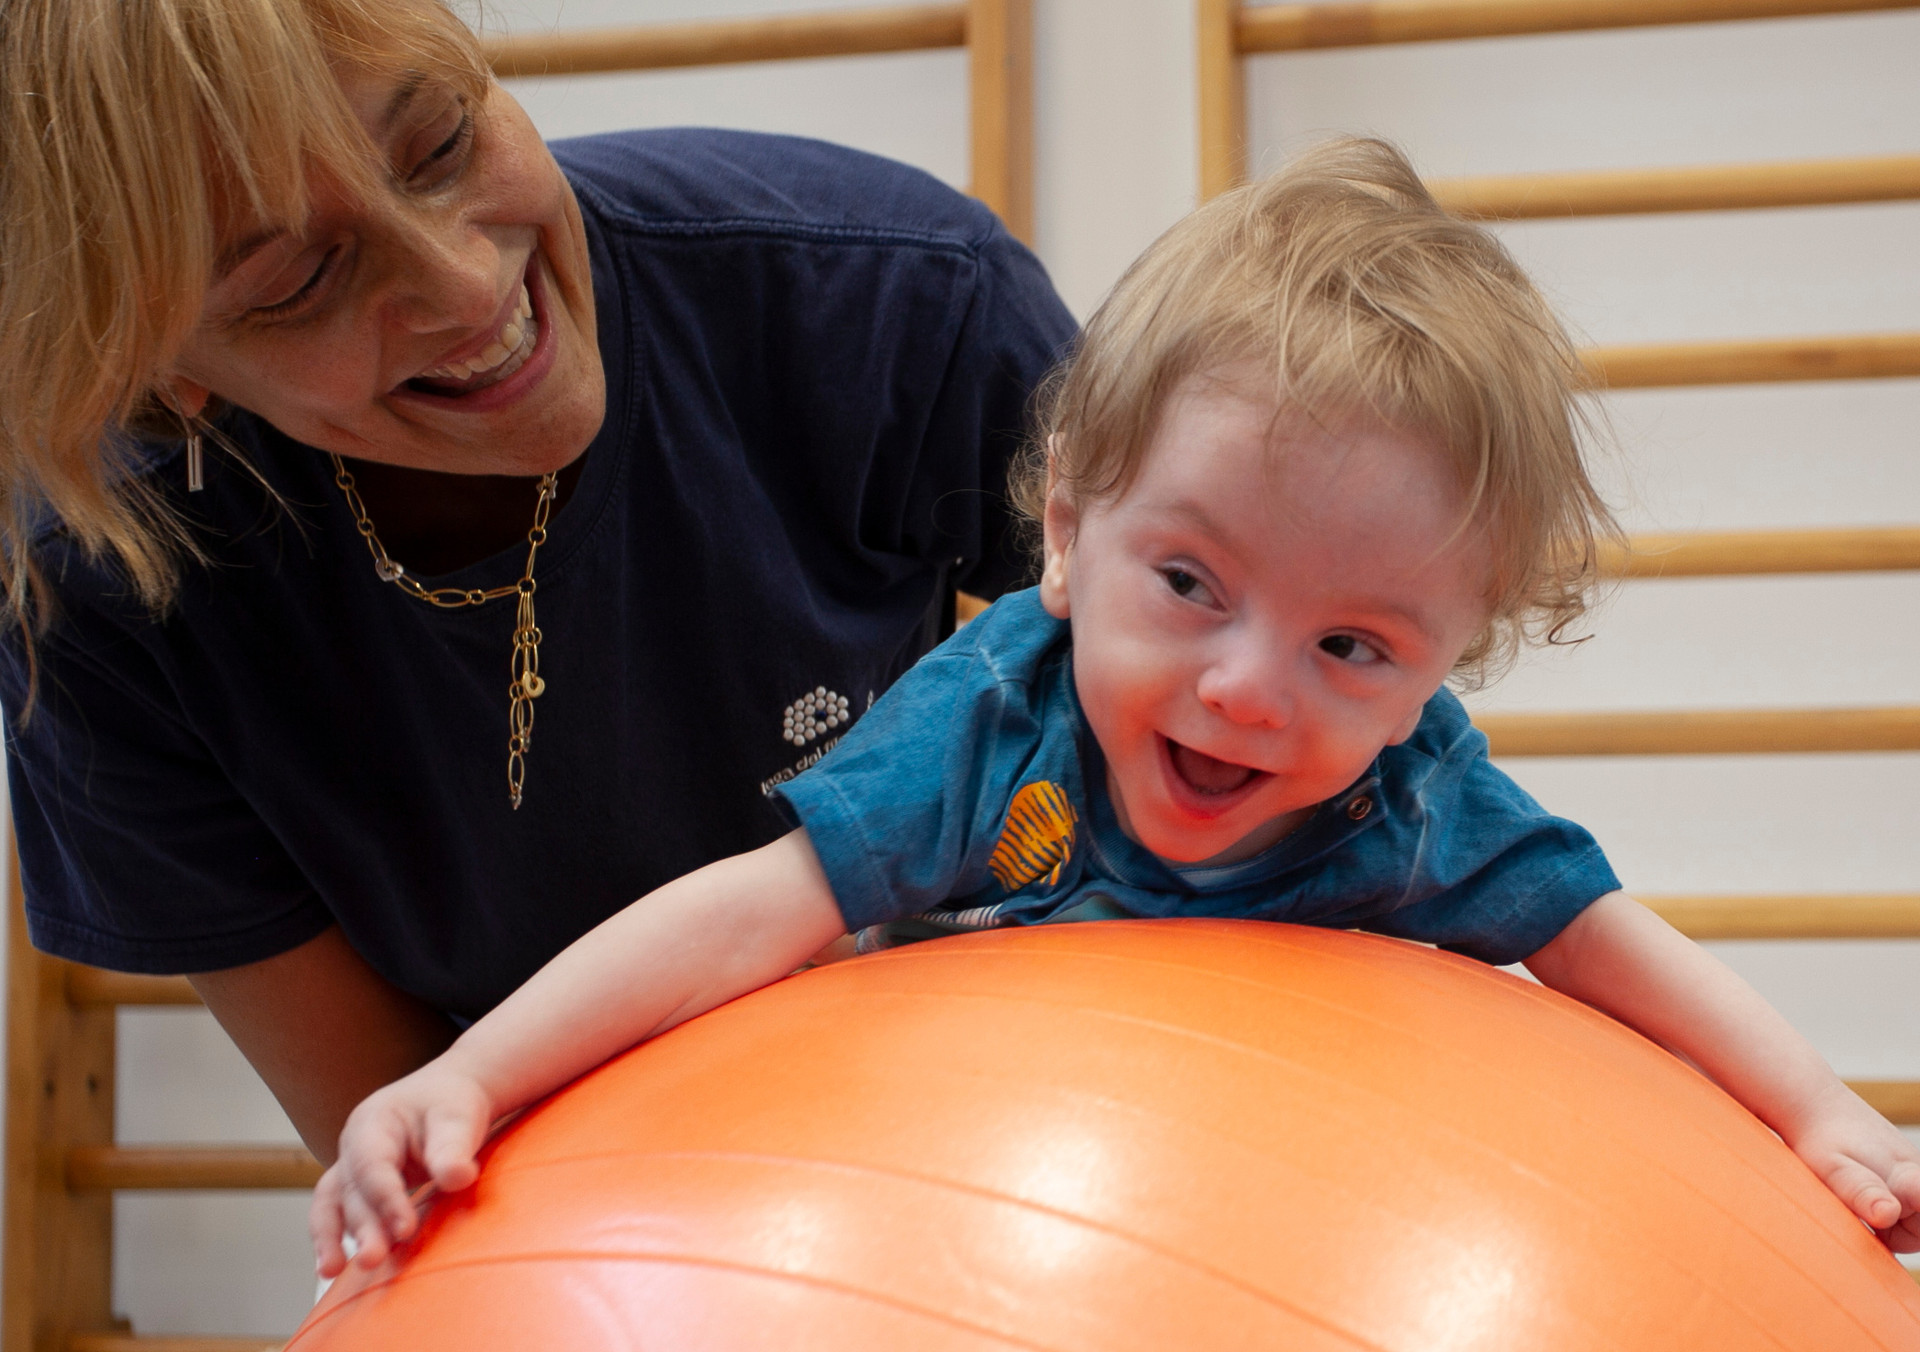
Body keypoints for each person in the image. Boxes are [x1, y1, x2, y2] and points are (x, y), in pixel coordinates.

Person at [310, 137, 1920, 1274]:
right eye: (1193, 586)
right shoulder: (994, 721)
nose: (1245, 690)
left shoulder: (1412, 795)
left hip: (1287, 1229)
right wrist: (475, 1076)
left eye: (1354, 649)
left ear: (1450, 665)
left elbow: (1607, 941)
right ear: (1068, 534)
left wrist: (1821, 1116)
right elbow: (751, 914)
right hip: (979, 1212)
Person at [0, 0, 1074, 1158]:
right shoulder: (104, 590)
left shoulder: (885, 294)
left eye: (443, 145)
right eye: (304, 278)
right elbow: (410, 1145)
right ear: (168, 370)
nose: (463, 286)